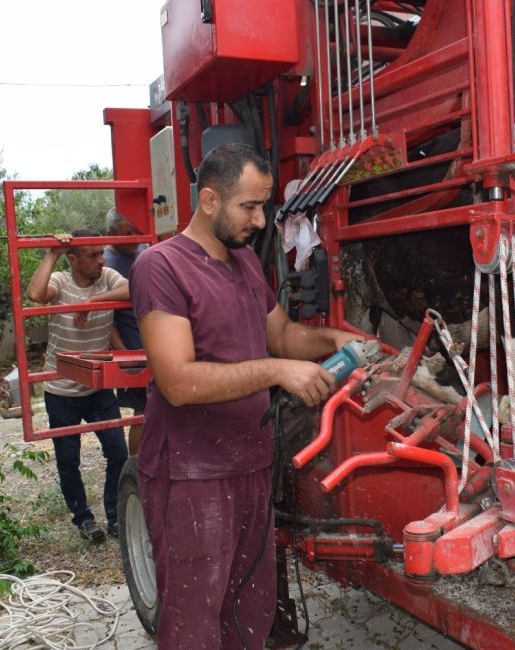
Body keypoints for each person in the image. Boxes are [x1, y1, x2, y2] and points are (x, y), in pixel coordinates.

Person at [130, 143, 360, 648]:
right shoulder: (161, 267)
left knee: (248, 613)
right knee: (195, 622)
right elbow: (178, 380)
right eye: (249, 207)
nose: (259, 221)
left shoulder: (244, 264)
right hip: (191, 474)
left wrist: (333, 339)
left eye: (264, 206)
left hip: (251, 465)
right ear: (209, 200)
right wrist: (278, 372)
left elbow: (282, 337)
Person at [26, 228, 131, 543]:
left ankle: (115, 516)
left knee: (117, 452)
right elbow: (34, 294)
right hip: (61, 391)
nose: (100, 260)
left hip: (97, 387)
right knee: (68, 460)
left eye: (101, 253)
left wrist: (93, 301)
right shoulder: (61, 280)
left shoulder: (107, 278)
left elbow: (136, 289)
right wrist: (53, 251)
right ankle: (83, 518)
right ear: (72, 259)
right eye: (92, 255)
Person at [103, 208, 148, 455]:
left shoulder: (143, 247)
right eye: (126, 233)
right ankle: (137, 467)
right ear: (110, 235)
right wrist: (125, 355)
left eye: (136, 231)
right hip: (133, 351)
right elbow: (107, 320)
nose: (133, 238)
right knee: (142, 412)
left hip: (158, 344)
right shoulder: (107, 263)